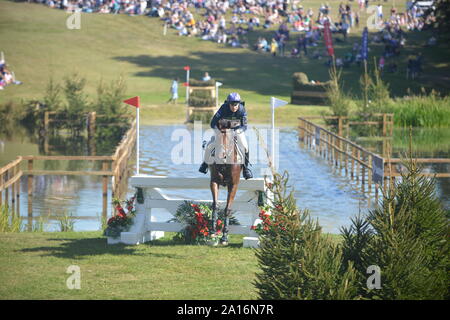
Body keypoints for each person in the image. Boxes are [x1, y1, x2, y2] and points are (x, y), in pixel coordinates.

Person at [199, 92, 253, 180]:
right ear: (228, 104)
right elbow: (213, 123)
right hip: (222, 129)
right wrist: (218, 131)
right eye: (232, 104)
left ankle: (246, 169)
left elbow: (245, 126)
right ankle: (204, 164)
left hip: (237, 130)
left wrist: (238, 131)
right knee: (210, 146)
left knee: (245, 146)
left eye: (236, 104)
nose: (234, 107)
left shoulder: (242, 110)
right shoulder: (223, 108)